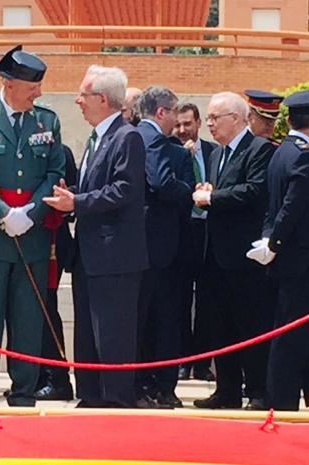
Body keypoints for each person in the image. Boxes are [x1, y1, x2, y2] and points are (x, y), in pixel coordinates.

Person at [0, 45, 65, 407]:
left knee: (27, 320)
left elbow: (54, 171)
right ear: (8, 84)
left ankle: (23, 392)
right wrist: (4, 214)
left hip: (31, 237)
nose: (38, 93)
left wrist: (30, 214)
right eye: (30, 86)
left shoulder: (47, 121)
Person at [44, 65, 147, 408]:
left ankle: (116, 399)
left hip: (115, 255)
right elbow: (96, 188)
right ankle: (90, 394)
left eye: (83, 95)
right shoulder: (96, 138)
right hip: (90, 253)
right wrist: (69, 197)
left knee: (113, 334)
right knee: (88, 332)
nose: (78, 102)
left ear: (102, 99)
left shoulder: (126, 136)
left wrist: (78, 201)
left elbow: (126, 189)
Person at [192, 92, 274, 410]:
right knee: (220, 325)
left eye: (215, 118)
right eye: (208, 118)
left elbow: (253, 191)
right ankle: (226, 389)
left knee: (249, 324)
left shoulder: (259, 150)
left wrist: (214, 198)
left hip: (244, 257)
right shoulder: (216, 154)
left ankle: (256, 389)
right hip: (215, 255)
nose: (210, 124)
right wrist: (209, 191)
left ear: (237, 118)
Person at [248, 90, 309, 410]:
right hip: (299, 260)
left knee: (295, 335)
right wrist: (276, 242)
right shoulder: (302, 155)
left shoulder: (283, 152)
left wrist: (269, 241)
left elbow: (274, 210)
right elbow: (291, 206)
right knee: (290, 338)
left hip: (285, 259)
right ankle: (281, 402)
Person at [135, 86, 194, 408]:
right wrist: (190, 190)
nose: (176, 119)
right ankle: (158, 385)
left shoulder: (173, 149)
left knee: (154, 321)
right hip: (156, 247)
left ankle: (152, 384)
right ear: (162, 112)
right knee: (160, 321)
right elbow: (164, 185)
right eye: (173, 112)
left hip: (156, 249)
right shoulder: (153, 143)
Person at [172, 101, 217, 382]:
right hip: (182, 230)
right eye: (178, 124)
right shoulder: (172, 151)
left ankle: (202, 361)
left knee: (208, 300)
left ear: (198, 123)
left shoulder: (214, 151)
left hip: (208, 230)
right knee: (179, 299)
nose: (182, 130)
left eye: (187, 124)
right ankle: (181, 359)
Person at [35, 144, 77, 401]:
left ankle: (57, 378)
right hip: (26, 237)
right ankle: (35, 376)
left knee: (46, 309)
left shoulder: (61, 151)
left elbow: (72, 193)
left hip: (52, 240)